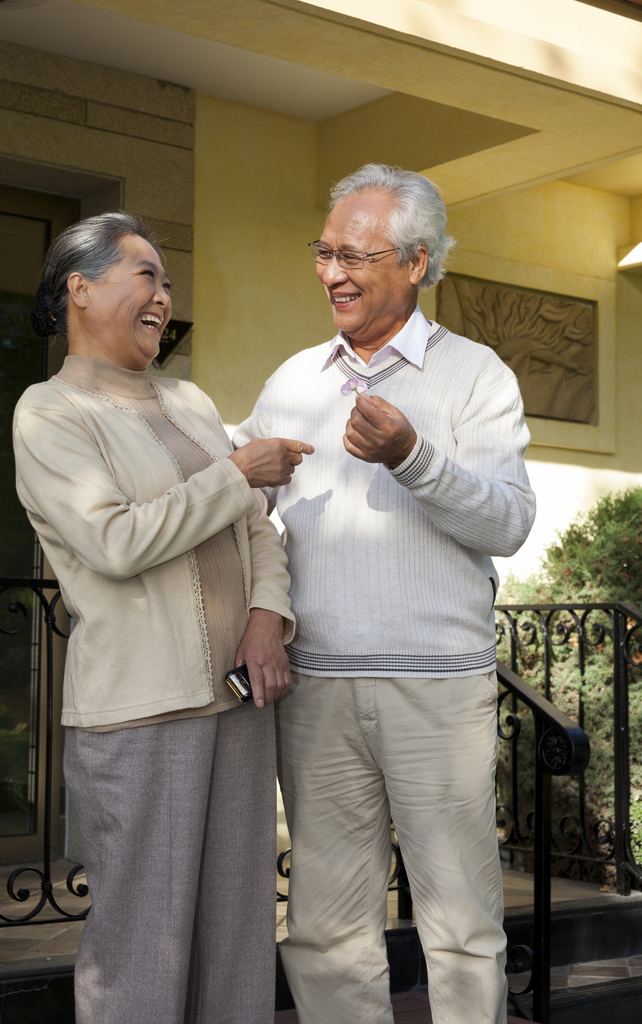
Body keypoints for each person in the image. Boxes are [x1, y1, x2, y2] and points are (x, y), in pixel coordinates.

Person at [234, 164, 536, 1024]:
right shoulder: (292, 380)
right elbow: (249, 517)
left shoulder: (476, 376)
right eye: (323, 251)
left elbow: (508, 522)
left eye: (354, 255)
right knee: (326, 930)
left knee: (461, 926)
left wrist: (414, 457)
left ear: (416, 262)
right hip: (316, 689)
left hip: (437, 690)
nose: (331, 271)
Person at [13, 212, 313, 1024]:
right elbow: (112, 541)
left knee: (238, 936)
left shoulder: (188, 400)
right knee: (143, 945)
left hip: (240, 701)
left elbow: (258, 530)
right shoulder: (49, 412)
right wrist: (235, 470)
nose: (163, 295)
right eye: (145, 274)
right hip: (140, 714)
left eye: (167, 280)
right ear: (79, 287)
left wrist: (264, 622)